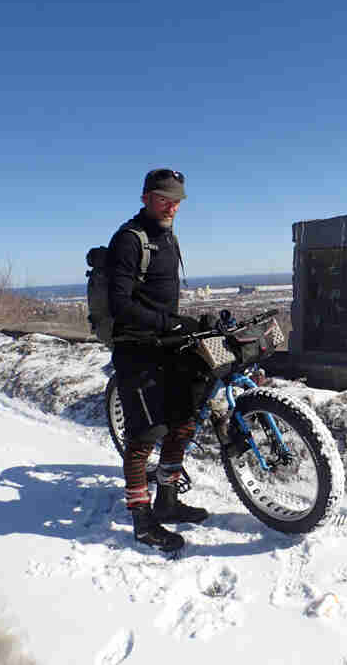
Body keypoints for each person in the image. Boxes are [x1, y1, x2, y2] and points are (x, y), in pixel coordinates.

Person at [107, 168, 211, 552]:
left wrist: (183, 325)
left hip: (168, 345)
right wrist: (169, 322)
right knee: (143, 438)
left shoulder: (167, 236)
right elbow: (121, 305)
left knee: (182, 423)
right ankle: (142, 520)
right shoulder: (129, 240)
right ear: (146, 197)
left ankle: (167, 501)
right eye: (164, 198)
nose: (172, 206)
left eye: (177, 200)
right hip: (136, 349)